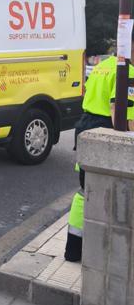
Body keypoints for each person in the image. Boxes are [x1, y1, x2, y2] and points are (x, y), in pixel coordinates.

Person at [64, 42, 134, 262]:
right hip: (104, 127)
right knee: (105, 189)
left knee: (84, 190)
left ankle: (73, 249)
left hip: (85, 126)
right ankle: (98, 250)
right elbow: (119, 110)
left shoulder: (104, 64)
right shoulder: (128, 71)